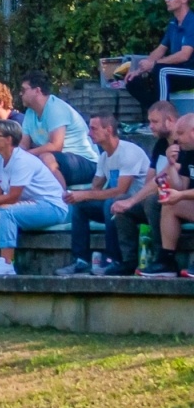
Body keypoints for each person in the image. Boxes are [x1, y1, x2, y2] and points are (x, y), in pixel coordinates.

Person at [0, 118, 70, 277]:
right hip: (29, 204)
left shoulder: (22, 160)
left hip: (52, 206)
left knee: (5, 212)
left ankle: (7, 263)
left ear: (8, 139)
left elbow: (12, 197)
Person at [52, 115, 150, 276]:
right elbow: (95, 188)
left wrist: (85, 194)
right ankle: (81, 260)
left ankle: (114, 260)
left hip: (138, 204)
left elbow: (121, 191)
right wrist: (77, 196)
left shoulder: (129, 152)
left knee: (110, 203)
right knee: (81, 206)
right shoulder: (104, 157)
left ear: (108, 130)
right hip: (117, 203)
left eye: (93, 129)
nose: (89, 133)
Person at [101, 102, 180, 275]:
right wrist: (130, 202)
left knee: (152, 200)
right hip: (159, 197)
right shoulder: (160, 145)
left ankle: (162, 259)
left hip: (177, 200)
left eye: (154, 121)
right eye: (150, 121)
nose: (150, 126)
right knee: (120, 203)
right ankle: (129, 261)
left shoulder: (183, 145)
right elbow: (151, 179)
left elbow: (163, 179)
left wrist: (134, 200)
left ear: (170, 121)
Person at [18, 71, 99, 188]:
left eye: (23, 90)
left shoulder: (55, 108)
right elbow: (23, 145)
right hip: (61, 161)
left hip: (87, 163)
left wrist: (25, 155)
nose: (20, 93)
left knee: (45, 158)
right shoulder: (30, 113)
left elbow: (56, 146)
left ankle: (59, 197)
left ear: (37, 91)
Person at [126, 0, 194, 111]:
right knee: (133, 81)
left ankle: (163, 116)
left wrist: (154, 64)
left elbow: (184, 56)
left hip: (190, 72)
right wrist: (140, 70)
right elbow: (160, 50)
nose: (166, 0)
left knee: (161, 70)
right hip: (174, 72)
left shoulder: (192, 22)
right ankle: (154, 116)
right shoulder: (173, 24)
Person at [142, 115, 194, 277]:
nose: (177, 138)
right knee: (170, 204)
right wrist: (171, 165)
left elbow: (181, 192)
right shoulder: (188, 152)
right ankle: (167, 261)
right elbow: (180, 187)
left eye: (181, 133)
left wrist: (181, 195)